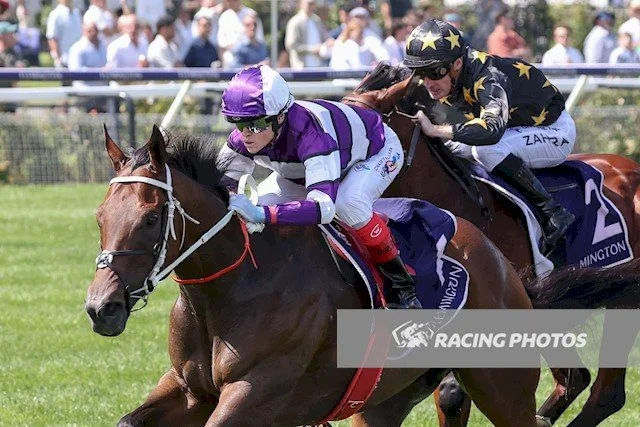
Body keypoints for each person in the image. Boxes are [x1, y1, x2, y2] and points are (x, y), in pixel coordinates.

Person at [218, 65, 421, 309]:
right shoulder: (245, 136)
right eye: (238, 123)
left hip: (376, 150)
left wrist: (262, 214)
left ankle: (402, 287)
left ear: (280, 117)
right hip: (307, 168)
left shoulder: (311, 135)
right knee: (264, 201)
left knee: (348, 203)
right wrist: (233, 196)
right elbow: (221, 182)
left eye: (255, 124)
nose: (245, 134)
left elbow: (323, 208)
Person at [404, 20, 575, 252]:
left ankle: (552, 211)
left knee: (485, 149)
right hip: (517, 129)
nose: (428, 83)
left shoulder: (489, 76)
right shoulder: (452, 74)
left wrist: (436, 130)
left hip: (554, 132)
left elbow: (491, 130)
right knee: (454, 148)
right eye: (419, 73)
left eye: (434, 72)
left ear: (457, 63)